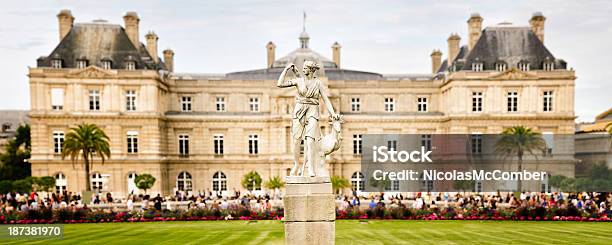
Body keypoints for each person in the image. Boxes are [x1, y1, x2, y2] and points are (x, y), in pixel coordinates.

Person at [277, 61, 340, 176]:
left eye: (305, 68)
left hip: (313, 110)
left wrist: (332, 113)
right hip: (299, 111)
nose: (303, 69)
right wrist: (286, 70)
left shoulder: (318, 83)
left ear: (311, 70)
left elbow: (326, 99)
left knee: (310, 141)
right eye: (303, 67)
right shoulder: (298, 81)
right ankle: (296, 164)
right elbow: (279, 84)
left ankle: (310, 168)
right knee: (296, 141)